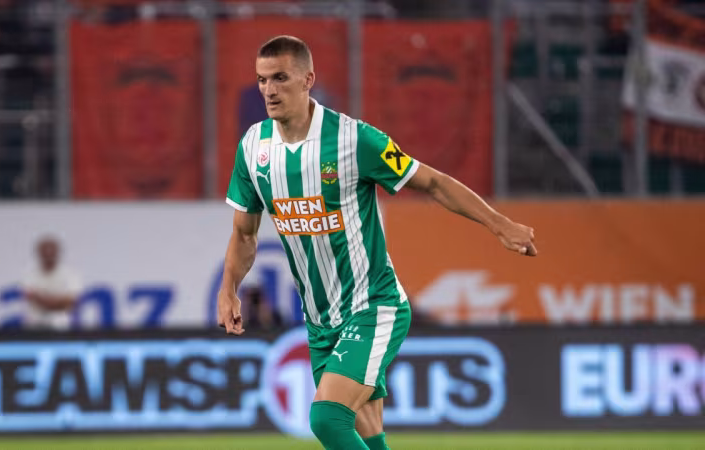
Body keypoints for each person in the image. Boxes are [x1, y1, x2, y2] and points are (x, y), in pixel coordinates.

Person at [217, 35, 538, 450]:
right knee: (371, 438)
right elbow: (245, 232)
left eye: (280, 78)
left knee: (327, 418)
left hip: (373, 307)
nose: (269, 90)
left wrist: (500, 225)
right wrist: (228, 288)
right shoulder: (253, 147)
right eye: (262, 80)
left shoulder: (353, 140)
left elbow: (433, 182)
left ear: (308, 79)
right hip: (320, 321)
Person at [21, 236, 82, 331]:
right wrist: (58, 302)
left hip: (60, 327)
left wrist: (42, 300)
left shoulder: (70, 275)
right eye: (45, 252)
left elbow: (70, 303)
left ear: (57, 253)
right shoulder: (29, 275)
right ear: (39, 253)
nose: (48, 255)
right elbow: (30, 297)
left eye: (51, 251)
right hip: (34, 327)